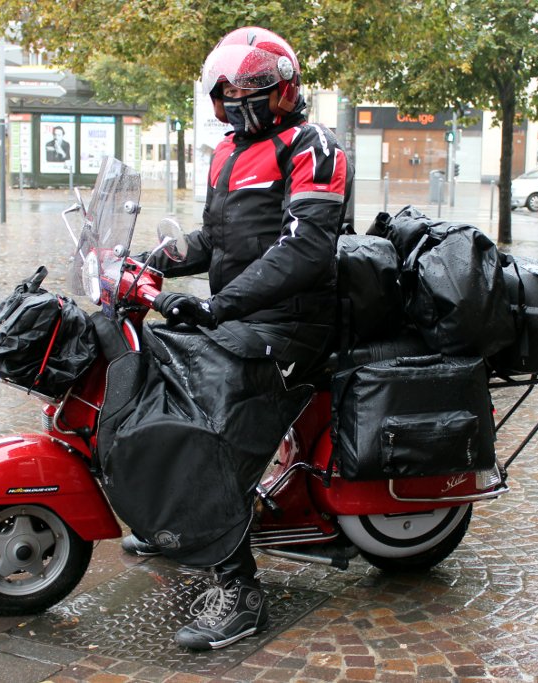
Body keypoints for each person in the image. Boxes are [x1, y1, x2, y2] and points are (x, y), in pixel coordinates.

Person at [121, 26, 351, 651]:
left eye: (245, 85)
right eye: (225, 87)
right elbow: (214, 242)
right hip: (241, 315)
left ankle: (241, 590)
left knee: (212, 423)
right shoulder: (226, 153)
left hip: (292, 325)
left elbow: (305, 247)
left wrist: (219, 306)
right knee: (152, 371)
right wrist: (152, 260)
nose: (231, 96)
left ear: (281, 89)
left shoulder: (313, 147)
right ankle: (181, 519)